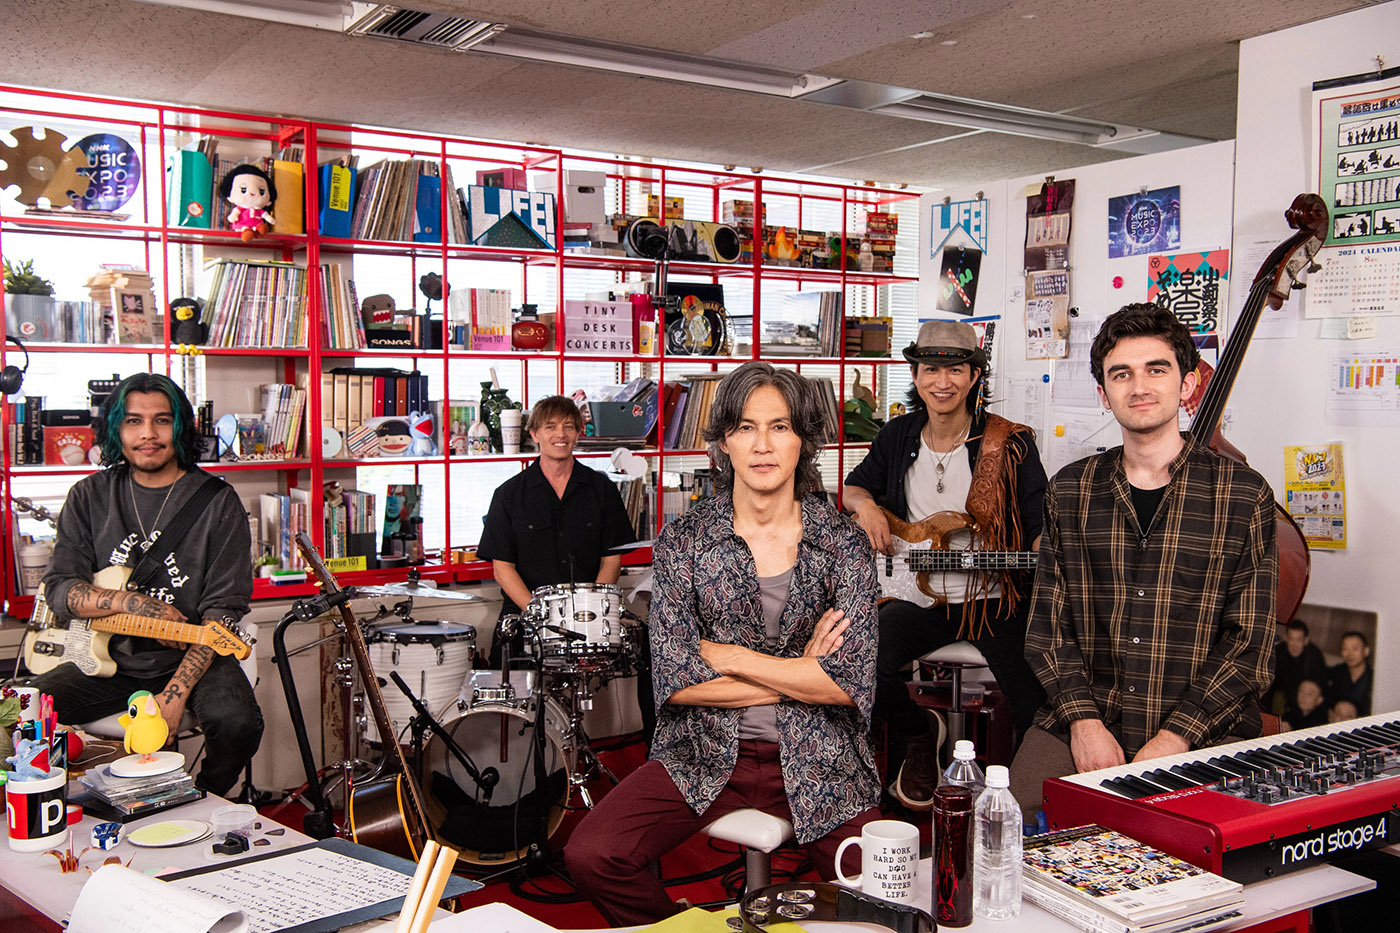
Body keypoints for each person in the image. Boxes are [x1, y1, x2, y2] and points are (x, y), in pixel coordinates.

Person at [566, 362, 881, 925]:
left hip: (823, 757)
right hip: (704, 753)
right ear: (724, 443)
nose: (763, 445)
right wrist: (798, 674)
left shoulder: (842, 541)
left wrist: (728, 656)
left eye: (780, 427)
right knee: (592, 854)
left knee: (881, 900)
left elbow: (847, 686)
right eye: (745, 427)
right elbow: (676, 683)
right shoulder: (685, 540)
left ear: (802, 440)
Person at [1009, 303, 1277, 815]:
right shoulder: (1070, 490)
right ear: (1103, 394)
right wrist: (1085, 724)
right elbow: (1047, 631)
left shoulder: (1243, 494)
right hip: (1084, 718)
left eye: (1157, 369)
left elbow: (1250, 645)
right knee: (1005, 835)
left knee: (1203, 861)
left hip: (1204, 726)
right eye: (1121, 374)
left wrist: (1177, 737)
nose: (1140, 386)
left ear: (1188, 384)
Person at [843, 319, 1046, 810]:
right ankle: (918, 735)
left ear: (974, 376)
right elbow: (854, 487)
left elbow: (1041, 526)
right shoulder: (897, 435)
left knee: (1036, 703)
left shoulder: (1010, 445)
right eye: (931, 369)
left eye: (955, 369)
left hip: (993, 601)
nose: (942, 381)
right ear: (915, 376)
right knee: (857, 661)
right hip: (917, 599)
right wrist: (867, 507)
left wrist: (1043, 555)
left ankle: (1010, 808)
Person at [33, 373, 260, 796]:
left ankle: (202, 795)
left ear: (180, 427)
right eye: (134, 421)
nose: (148, 435)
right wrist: (130, 602)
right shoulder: (89, 496)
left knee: (238, 723)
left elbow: (224, 609)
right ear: (116, 429)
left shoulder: (217, 501)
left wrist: (175, 696)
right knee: (17, 713)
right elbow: (61, 589)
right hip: (111, 660)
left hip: (198, 655)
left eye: (161, 420)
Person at [476, 395, 635, 668]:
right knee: (523, 707)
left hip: (588, 622)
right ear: (534, 434)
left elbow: (612, 561)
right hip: (525, 621)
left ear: (578, 432)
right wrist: (543, 615)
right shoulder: (508, 495)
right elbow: (502, 568)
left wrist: (590, 611)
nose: (560, 434)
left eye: (568, 426)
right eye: (550, 427)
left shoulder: (602, 490)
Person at [1267, 619, 1327, 717]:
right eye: (1291, 639)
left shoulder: (1315, 657)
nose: (1294, 645)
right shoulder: (1278, 652)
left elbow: (1317, 689)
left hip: (1304, 700)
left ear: (1306, 640)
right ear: (1286, 638)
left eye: (1299, 640)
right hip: (1281, 695)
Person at [1324, 631, 1373, 716]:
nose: (1349, 654)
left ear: (1366, 651)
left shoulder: (1374, 679)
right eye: (1345, 649)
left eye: (1355, 649)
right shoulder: (1335, 672)